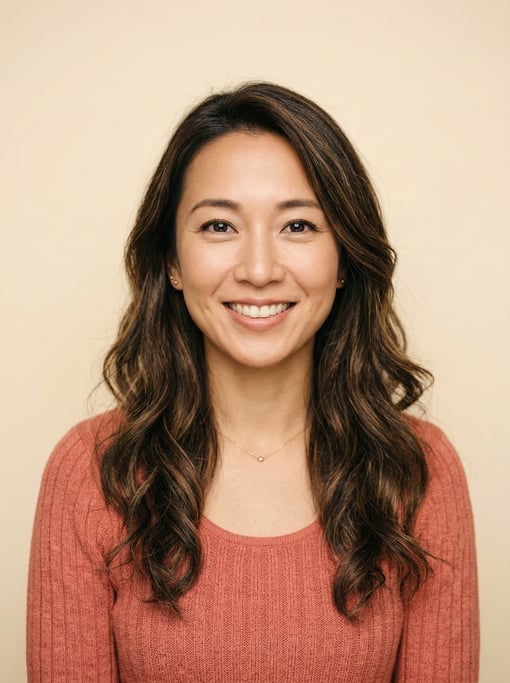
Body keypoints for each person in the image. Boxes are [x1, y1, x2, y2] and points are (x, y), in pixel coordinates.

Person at [27, 82, 479, 682]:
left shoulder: (420, 471)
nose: (260, 270)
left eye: (298, 226)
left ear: (344, 258)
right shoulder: (90, 472)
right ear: (171, 262)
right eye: (219, 226)